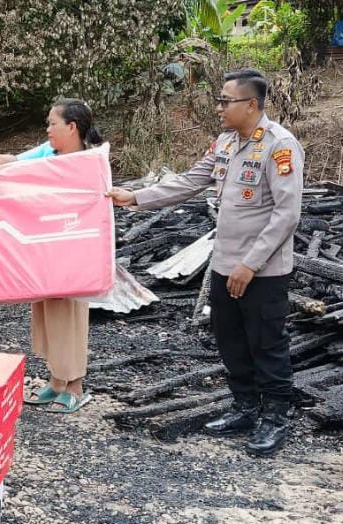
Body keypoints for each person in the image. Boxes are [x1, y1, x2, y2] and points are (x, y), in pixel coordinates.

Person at [110, 69, 304, 457]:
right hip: (225, 262)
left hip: (262, 270)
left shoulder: (280, 146)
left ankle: (276, 418)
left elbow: (286, 214)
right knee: (230, 338)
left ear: (251, 104)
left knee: (267, 343)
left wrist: (250, 265)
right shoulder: (226, 143)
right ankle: (245, 408)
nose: (218, 107)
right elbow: (189, 181)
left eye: (225, 101)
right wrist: (133, 197)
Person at [0, 98, 103, 414]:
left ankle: (76, 386)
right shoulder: (47, 154)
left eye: (52, 123)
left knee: (71, 316)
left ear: (71, 127)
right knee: (47, 314)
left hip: (75, 250)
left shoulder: (90, 162)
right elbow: (13, 162)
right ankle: (55, 382)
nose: (48, 129)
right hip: (44, 248)